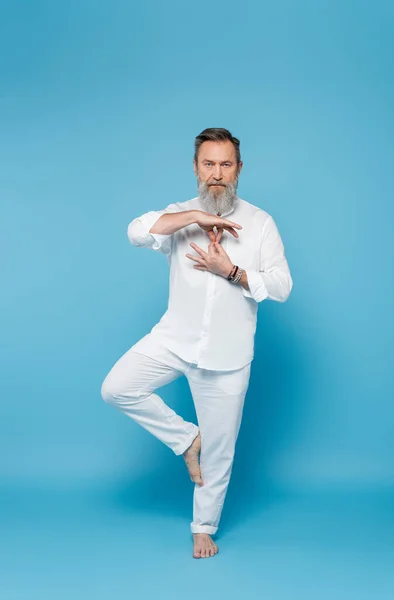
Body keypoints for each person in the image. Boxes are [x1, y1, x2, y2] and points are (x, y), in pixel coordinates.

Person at [101, 127, 293, 559]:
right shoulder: (179, 215)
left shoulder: (261, 224)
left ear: (239, 169)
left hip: (228, 356)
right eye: (209, 164)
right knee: (117, 388)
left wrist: (233, 272)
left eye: (226, 164)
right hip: (174, 340)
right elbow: (136, 231)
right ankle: (187, 439)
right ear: (195, 167)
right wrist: (193, 218)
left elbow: (282, 286)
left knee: (220, 453)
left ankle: (203, 527)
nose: (217, 174)